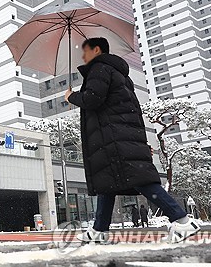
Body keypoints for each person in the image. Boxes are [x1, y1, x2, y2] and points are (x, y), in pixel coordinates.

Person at [64, 38, 200, 243]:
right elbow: (134, 110)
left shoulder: (100, 69)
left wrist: (72, 97)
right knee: (107, 184)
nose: (83, 57)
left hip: (112, 137)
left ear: (97, 49)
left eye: (85, 52)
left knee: (141, 181)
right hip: (121, 135)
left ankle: (182, 221)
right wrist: (141, 141)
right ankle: (99, 230)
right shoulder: (121, 76)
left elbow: (92, 99)